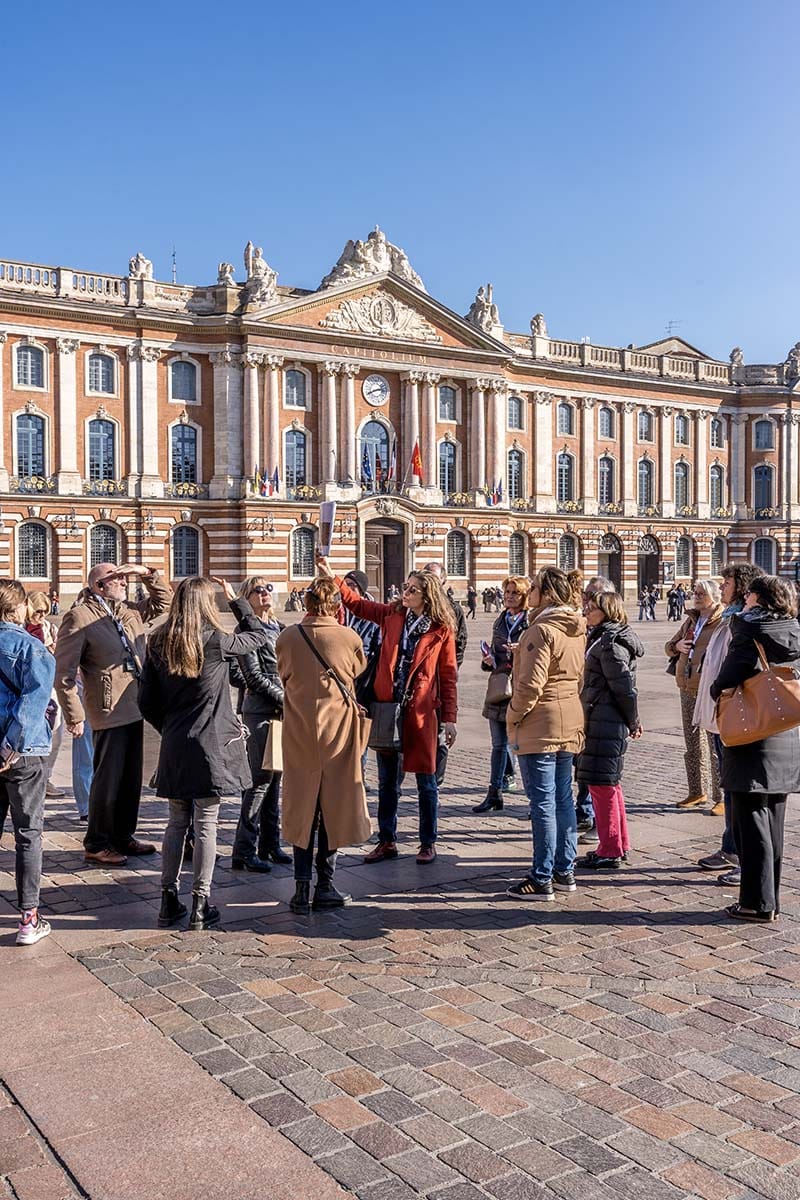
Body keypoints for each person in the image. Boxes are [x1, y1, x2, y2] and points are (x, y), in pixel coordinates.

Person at [139, 577, 269, 931]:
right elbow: (258, 636)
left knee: (176, 823)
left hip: (175, 743)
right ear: (207, 605)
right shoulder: (216, 640)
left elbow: (145, 701)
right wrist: (238, 602)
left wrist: (169, 728)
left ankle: (168, 899)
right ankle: (200, 902)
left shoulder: (157, 641)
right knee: (207, 823)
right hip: (211, 746)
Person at [318, 555, 458, 865]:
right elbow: (357, 605)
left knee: (426, 781)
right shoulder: (392, 614)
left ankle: (428, 842)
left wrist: (449, 718)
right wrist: (331, 574)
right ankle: (387, 840)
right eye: (405, 587)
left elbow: (448, 675)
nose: (405, 593)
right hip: (386, 707)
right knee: (387, 782)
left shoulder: (441, 629)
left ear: (427, 595)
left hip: (420, 713)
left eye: (412, 590)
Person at [54, 562, 172, 866]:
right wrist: (74, 715)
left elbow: (165, 601)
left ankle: (122, 835)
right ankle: (97, 842)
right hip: (107, 709)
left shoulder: (129, 611)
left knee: (130, 779)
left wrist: (146, 573)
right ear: (99, 586)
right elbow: (63, 673)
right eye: (117, 579)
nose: (124, 582)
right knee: (108, 779)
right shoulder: (79, 617)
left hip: (135, 704)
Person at [277, 577, 372, 913]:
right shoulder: (348, 636)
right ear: (335, 605)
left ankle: (300, 889)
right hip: (338, 733)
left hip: (299, 732)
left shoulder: (288, 637)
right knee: (334, 806)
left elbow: (283, 673)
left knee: (302, 807)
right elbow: (357, 669)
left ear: (306, 603)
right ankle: (325, 885)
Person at [710, 575, 800, 922]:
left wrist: (717, 688)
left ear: (759, 598)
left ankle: (756, 903)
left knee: (750, 820)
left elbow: (728, 677)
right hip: (786, 729)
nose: (745, 598)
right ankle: (769, 898)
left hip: (753, 732)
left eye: (749, 593)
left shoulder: (748, 629)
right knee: (773, 819)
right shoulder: (793, 629)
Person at [506, 567, 586, 900]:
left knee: (542, 803)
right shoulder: (576, 627)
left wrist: (513, 716)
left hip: (540, 721)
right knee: (564, 798)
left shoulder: (540, 630)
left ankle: (541, 877)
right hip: (570, 716)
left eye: (535, 588)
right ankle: (564, 870)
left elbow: (530, 686)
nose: (530, 593)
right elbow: (578, 677)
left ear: (548, 594)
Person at [692, 563, 765, 885]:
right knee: (730, 785)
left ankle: (742, 856)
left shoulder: (744, 623)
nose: (722, 586)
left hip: (735, 712)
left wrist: (718, 690)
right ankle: (730, 847)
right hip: (722, 711)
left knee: (740, 789)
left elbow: (736, 667)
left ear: (743, 587)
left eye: (727, 582)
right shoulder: (732, 618)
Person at [0, 579, 57, 945]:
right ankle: (28, 919)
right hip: (22, 753)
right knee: (28, 834)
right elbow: (34, 702)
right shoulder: (30, 647)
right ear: (18, 608)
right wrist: (12, 746)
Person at [576, 591, 643, 870]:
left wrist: (633, 720)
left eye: (592, 608)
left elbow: (624, 687)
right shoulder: (603, 637)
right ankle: (618, 844)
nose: (586, 611)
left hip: (604, 720)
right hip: (601, 717)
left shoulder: (610, 643)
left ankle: (610, 849)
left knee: (601, 785)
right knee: (609, 784)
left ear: (607, 611)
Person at [229, 576, 289, 872]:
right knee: (259, 780)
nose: (265, 593)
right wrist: (286, 699)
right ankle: (243, 849)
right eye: (258, 590)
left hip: (280, 710)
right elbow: (252, 676)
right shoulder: (244, 631)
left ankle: (270, 844)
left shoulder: (281, 628)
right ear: (246, 597)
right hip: (261, 712)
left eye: (268, 588)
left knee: (275, 778)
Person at [665, 579, 725, 812]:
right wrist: (677, 646)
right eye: (695, 593)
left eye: (701, 593)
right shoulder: (692, 620)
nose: (696, 596)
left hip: (708, 690)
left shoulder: (721, 621)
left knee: (714, 745)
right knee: (692, 744)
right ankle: (697, 791)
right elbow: (669, 646)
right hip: (687, 686)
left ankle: (721, 796)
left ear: (714, 596)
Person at [474, 576, 531, 813]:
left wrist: (522, 652)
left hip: (521, 689)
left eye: (514, 593)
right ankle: (494, 794)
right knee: (498, 745)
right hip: (499, 688)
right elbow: (495, 653)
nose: (509, 596)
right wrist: (488, 660)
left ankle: (535, 801)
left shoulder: (531, 621)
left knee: (524, 746)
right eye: (507, 592)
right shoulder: (501, 620)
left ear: (525, 596)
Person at [575, 576, 616, 842]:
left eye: (593, 597)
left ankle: (601, 827)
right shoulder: (588, 629)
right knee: (583, 764)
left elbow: (620, 683)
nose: (586, 601)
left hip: (601, 711)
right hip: (584, 704)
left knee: (601, 774)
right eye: (586, 595)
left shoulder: (610, 637)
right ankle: (584, 810)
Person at [423, 561, 466, 786]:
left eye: (433, 576)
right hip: (420, 683)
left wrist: (451, 668)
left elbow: (460, 642)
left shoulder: (453, 609)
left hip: (440, 680)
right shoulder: (416, 606)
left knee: (440, 732)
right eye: (426, 575)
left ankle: (436, 780)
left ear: (443, 580)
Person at [24, 592, 62, 799]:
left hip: (50, 687)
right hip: (28, 690)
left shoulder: (50, 628)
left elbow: (61, 655)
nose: (41, 616)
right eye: (37, 611)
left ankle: (46, 777)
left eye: (45, 612)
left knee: (55, 734)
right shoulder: (19, 628)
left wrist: (53, 649)